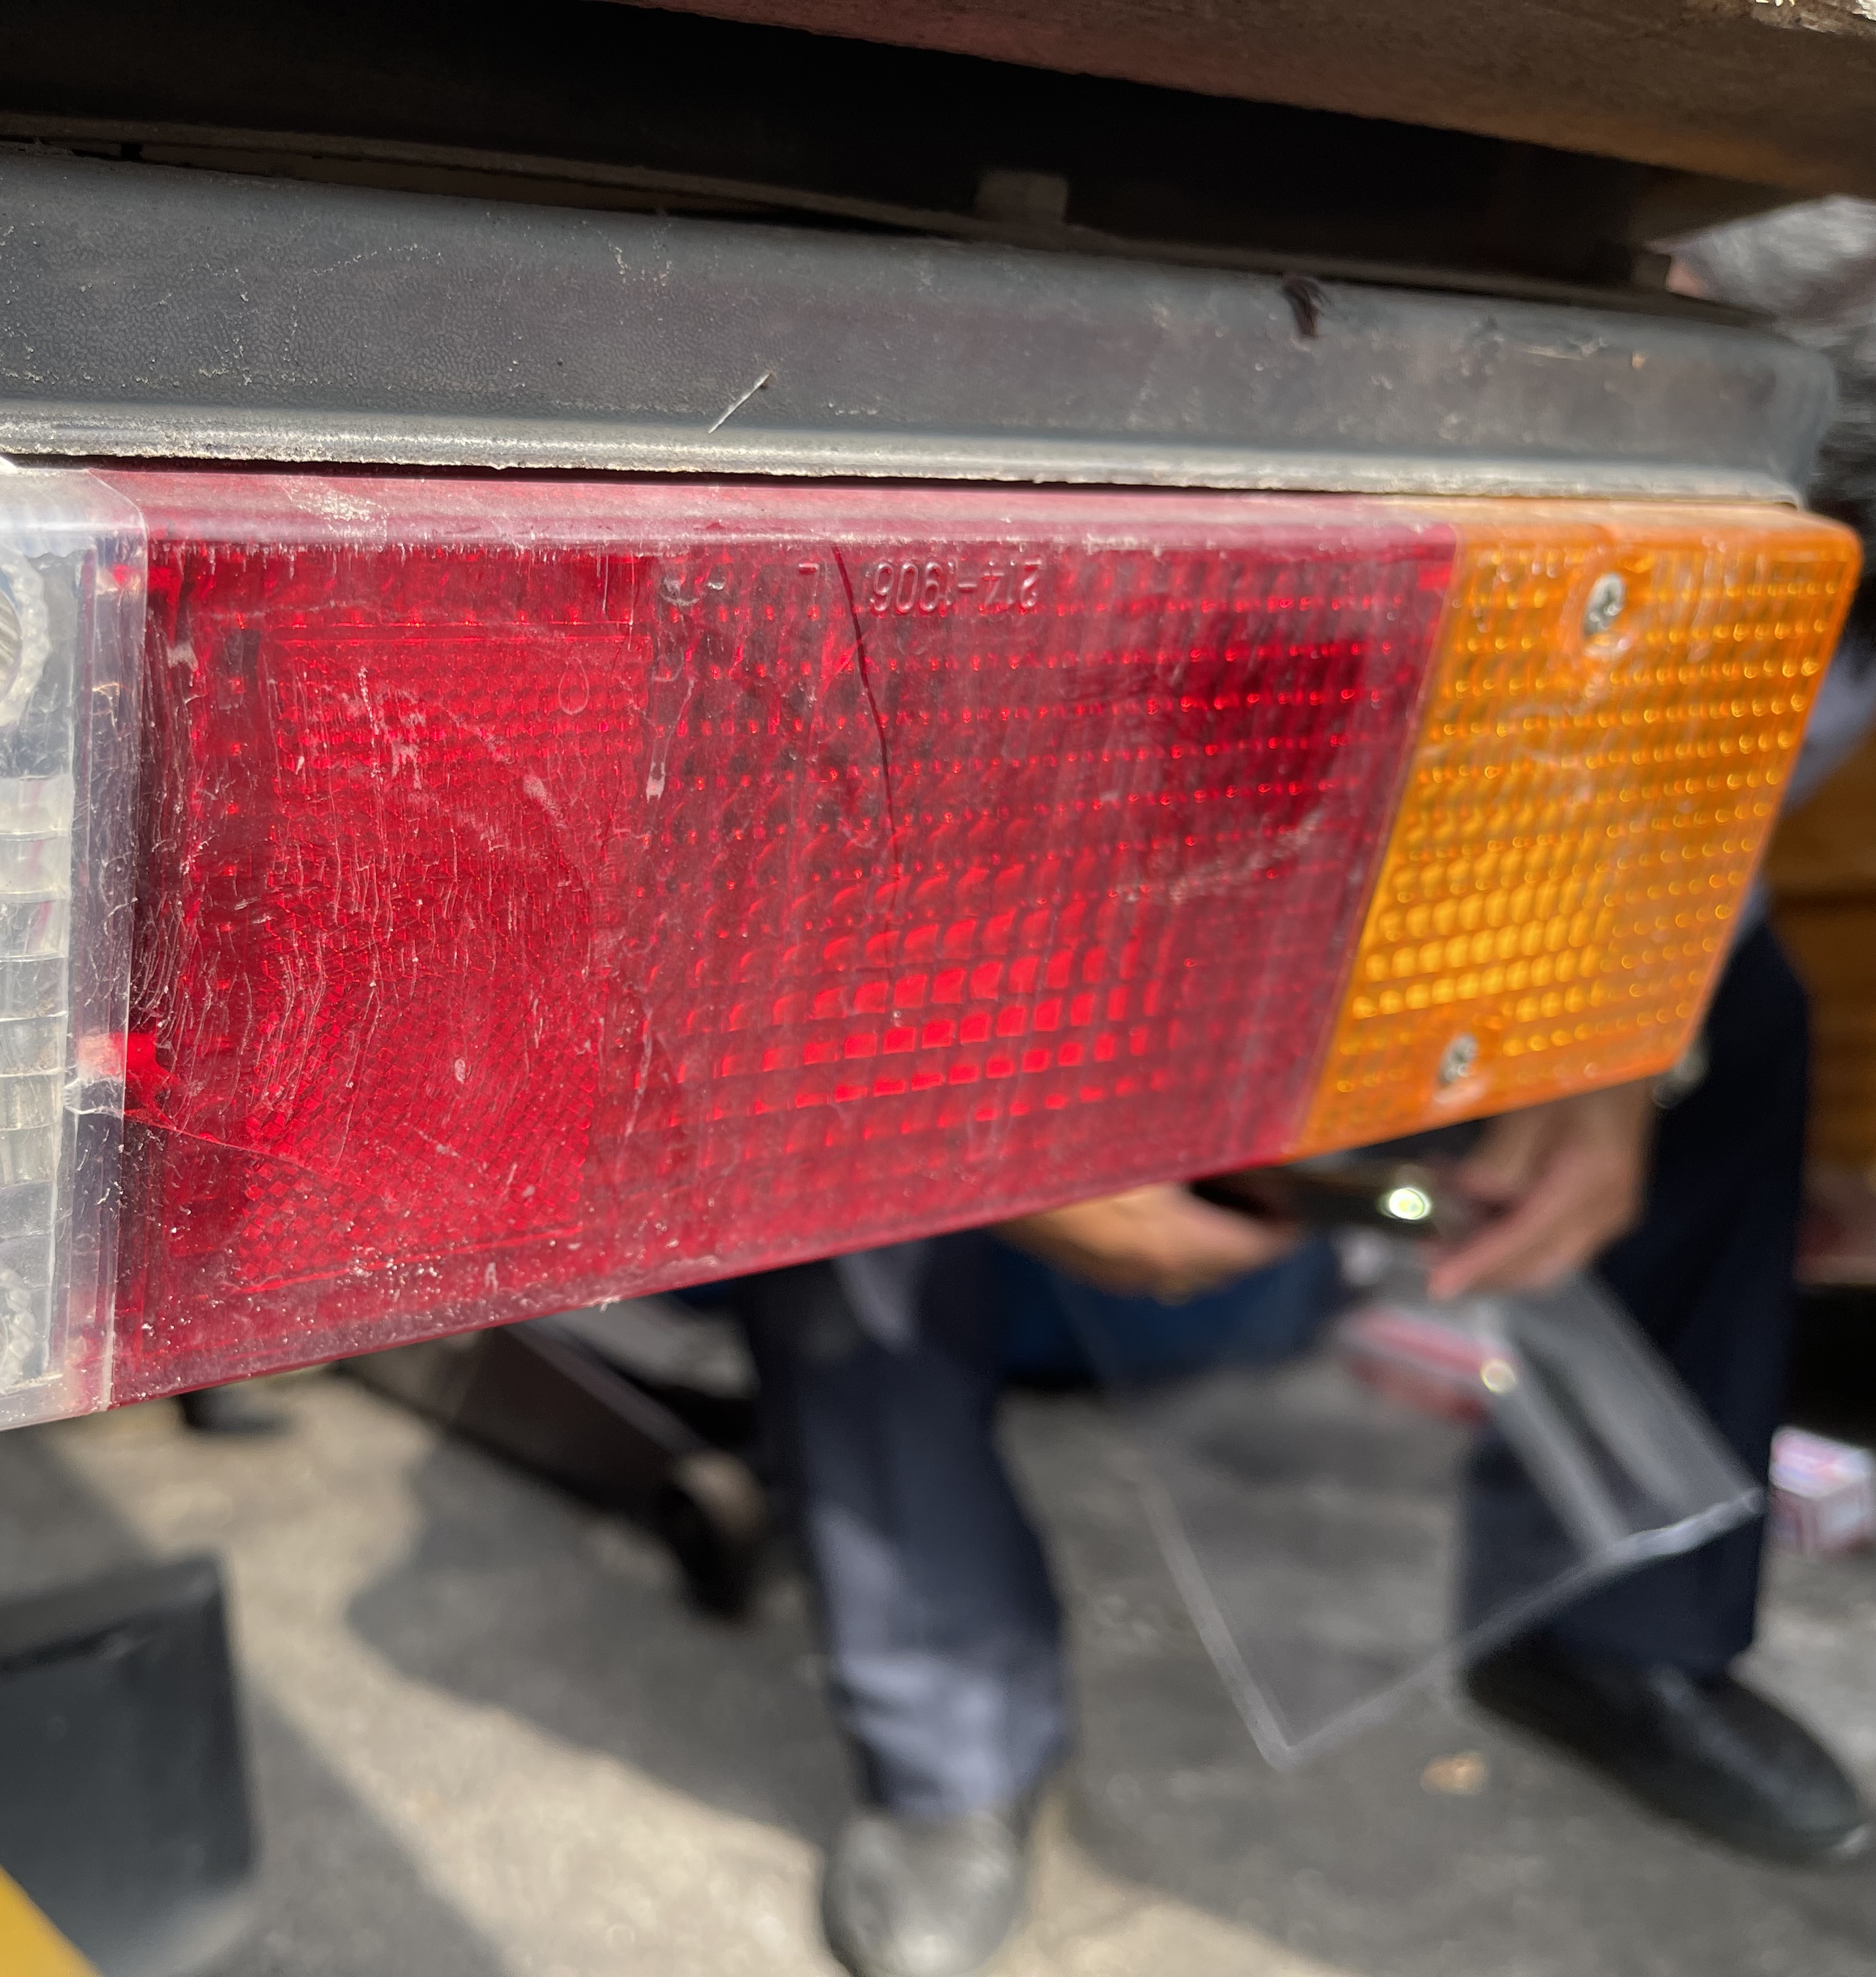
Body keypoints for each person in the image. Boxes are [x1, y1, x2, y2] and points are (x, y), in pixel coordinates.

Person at [737, 197, 1876, 1977]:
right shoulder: (1764, 213)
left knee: (1744, 1036)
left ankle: (1619, 1631)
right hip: (1178, 455)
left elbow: (1771, 648)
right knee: (861, 1104)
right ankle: (948, 1742)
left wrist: (1628, 997)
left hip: (1610, 633)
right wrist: (979, 1092)